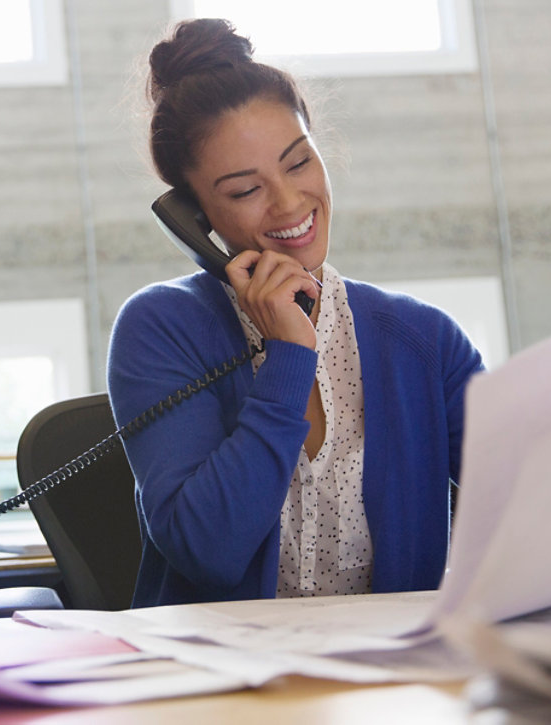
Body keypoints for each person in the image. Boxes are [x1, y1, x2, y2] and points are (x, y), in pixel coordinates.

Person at [107, 18, 485, 608]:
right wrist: (286, 357)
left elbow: (538, 503)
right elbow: (207, 551)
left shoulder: (423, 340)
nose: (288, 202)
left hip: (390, 677)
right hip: (215, 679)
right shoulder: (161, 329)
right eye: (243, 190)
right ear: (193, 212)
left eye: (299, 162)